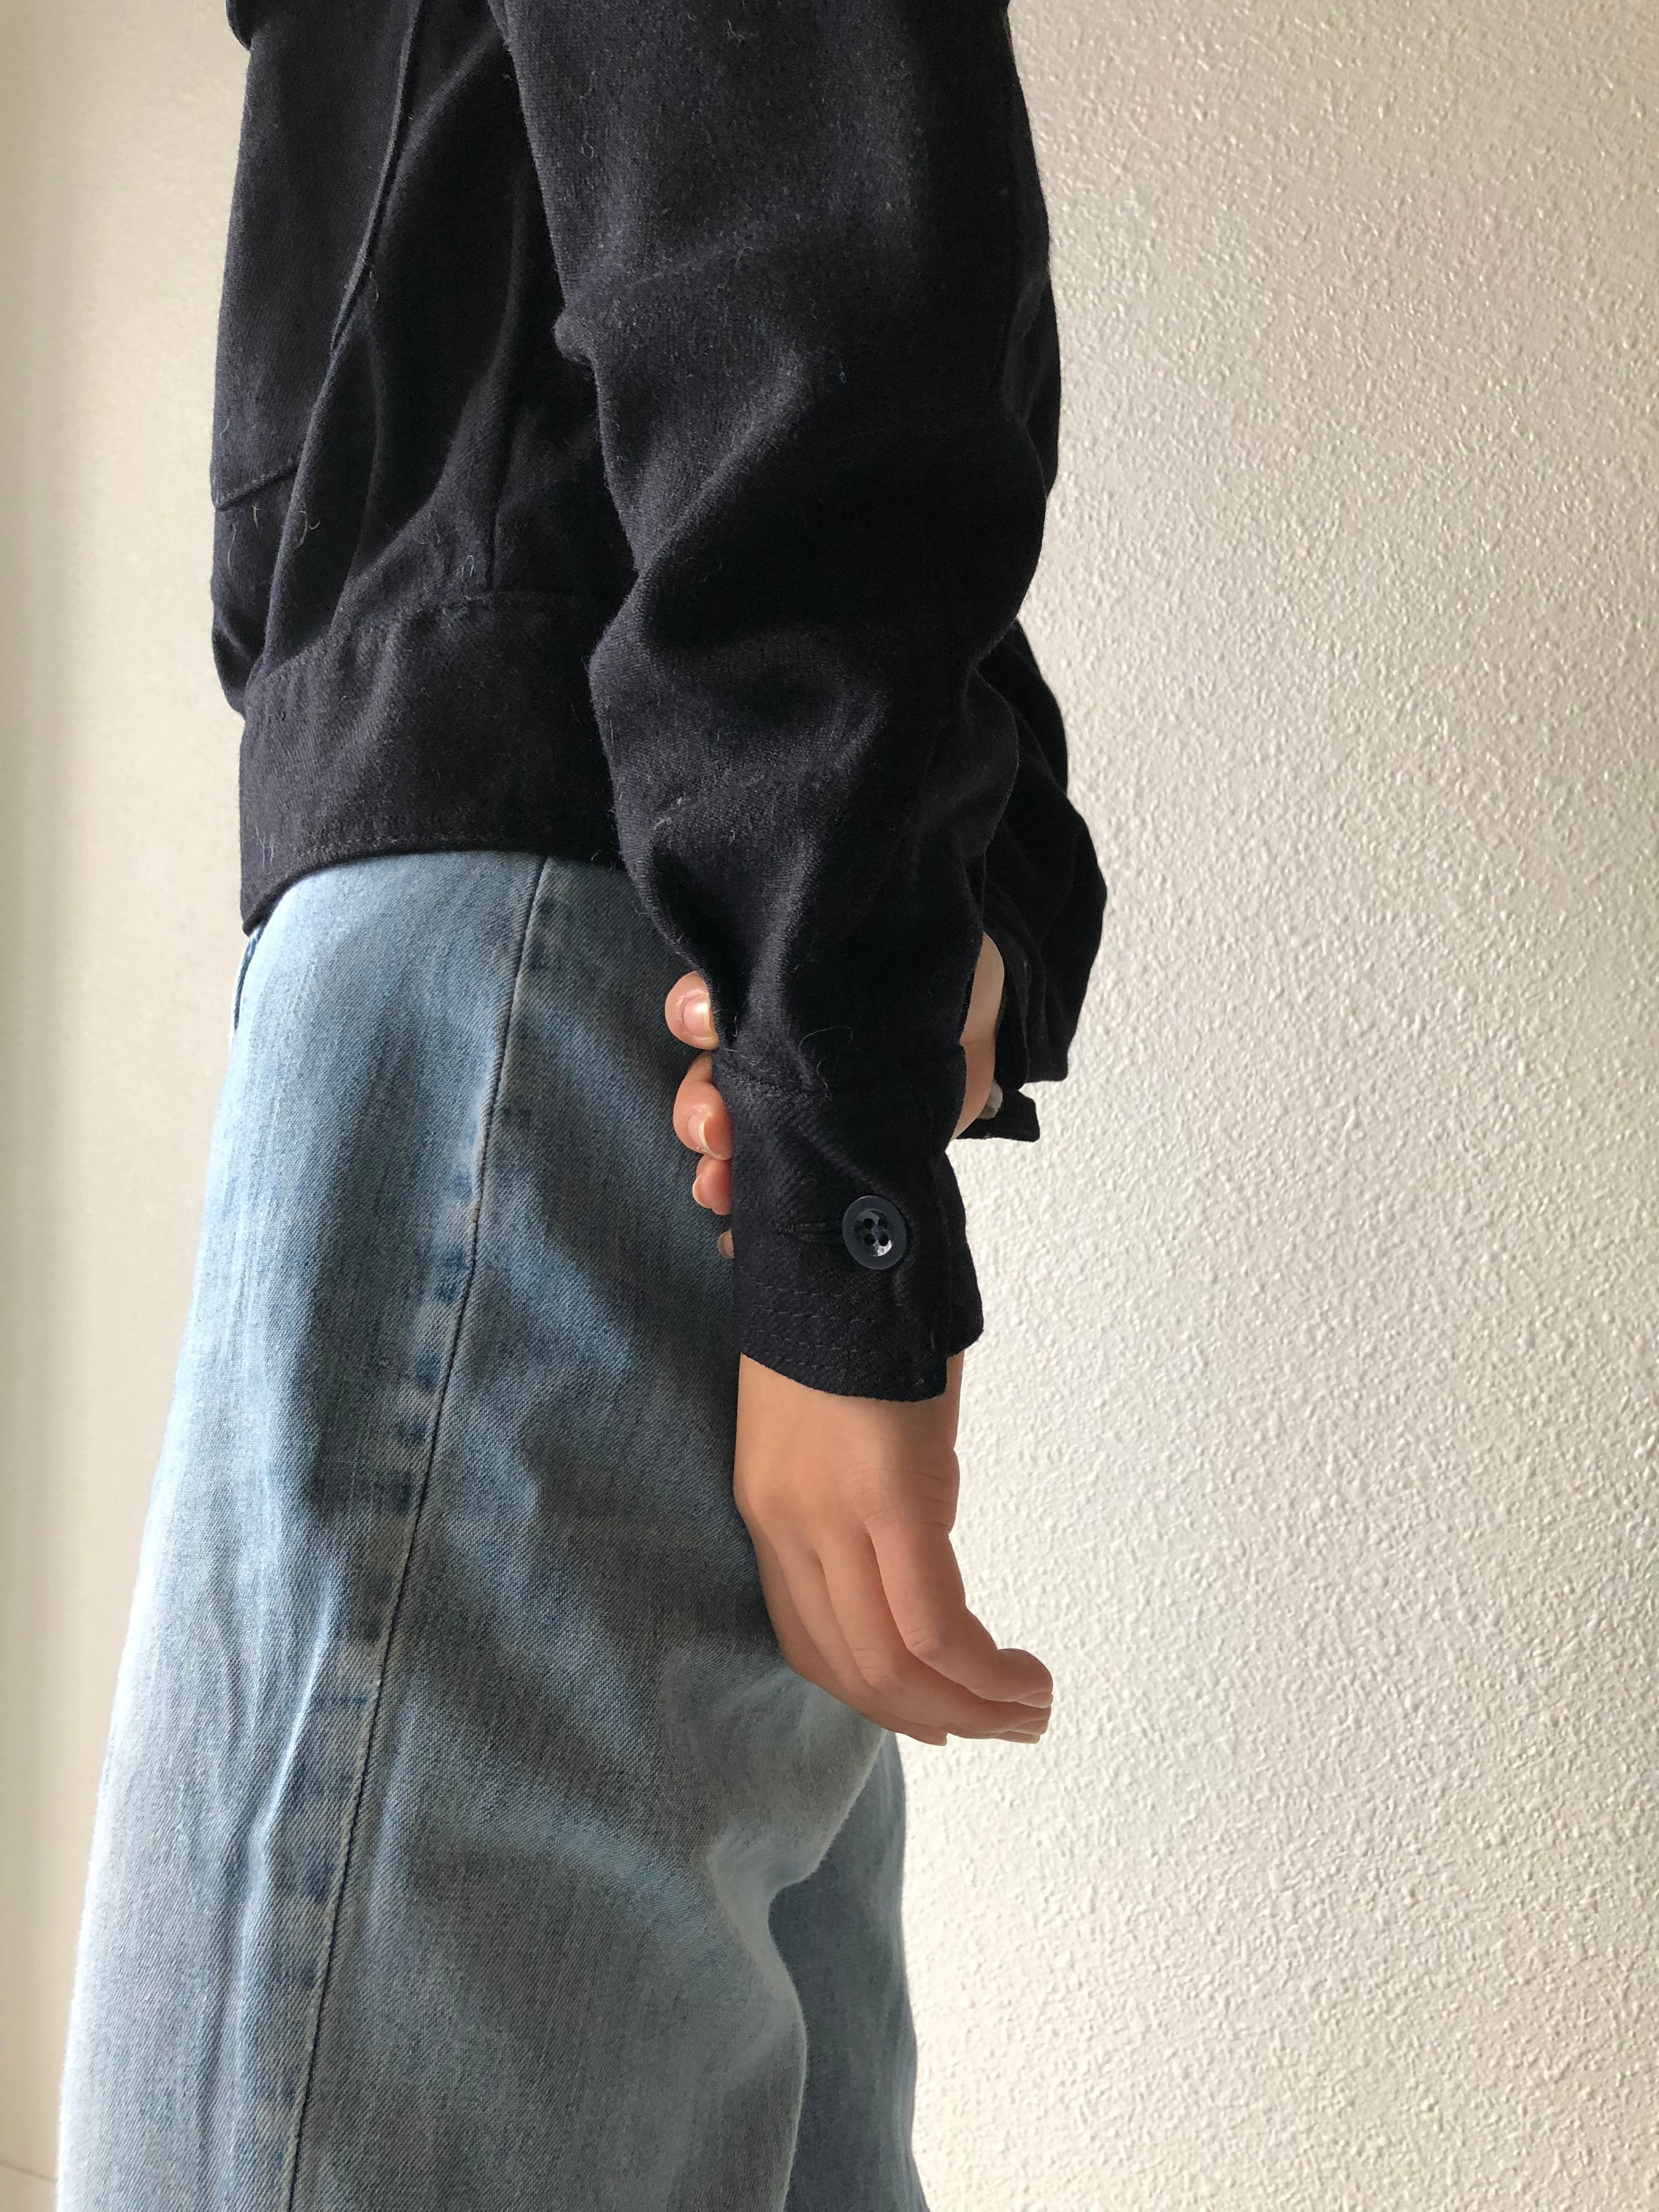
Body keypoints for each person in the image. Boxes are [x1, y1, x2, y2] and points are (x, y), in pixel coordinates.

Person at [57, 0, 1106, 2203]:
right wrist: (925, 942)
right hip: (592, 964)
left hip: (526, 987)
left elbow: (784, 182)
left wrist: (840, 1149)